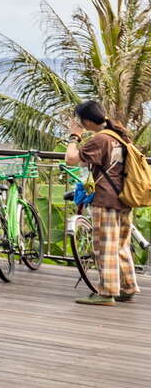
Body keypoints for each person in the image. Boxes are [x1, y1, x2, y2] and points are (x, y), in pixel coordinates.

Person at [66, 99, 140, 305]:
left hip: (106, 199)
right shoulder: (119, 135)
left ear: (88, 121)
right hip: (123, 197)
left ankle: (106, 293)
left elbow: (70, 159)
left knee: (104, 247)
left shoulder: (101, 139)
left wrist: (74, 136)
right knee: (121, 246)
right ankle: (127, 287)